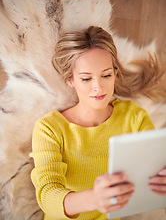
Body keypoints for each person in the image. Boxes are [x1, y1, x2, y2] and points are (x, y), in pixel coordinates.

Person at [30, 26, 166, 220]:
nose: (98, 87)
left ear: (115, 73)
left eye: (106, 75)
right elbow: (47, 195)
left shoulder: (133, 117)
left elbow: (156, 165)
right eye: (86, 78)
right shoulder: (49, 128)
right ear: (70, 80)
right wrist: (94, 198)